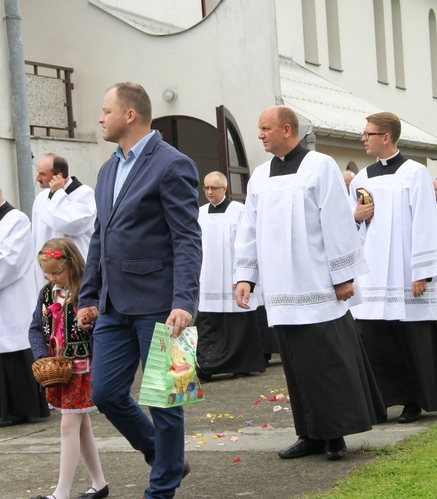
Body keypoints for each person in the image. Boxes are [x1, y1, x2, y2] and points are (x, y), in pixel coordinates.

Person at [234, 105, 383, 461]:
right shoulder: (259, 176)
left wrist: (343, 275)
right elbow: (249, 230)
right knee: (296, 363)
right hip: (281, 287)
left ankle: (335, 435)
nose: (260, 135)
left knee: (326, 360)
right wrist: (245, 276)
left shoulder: (320, 166)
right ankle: (309, 433)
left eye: (265, 128)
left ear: (288, 130)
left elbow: (336, 222)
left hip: (317, 282)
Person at [76, 82, 202, 499]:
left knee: (166, 402)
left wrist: (184, 301)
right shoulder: (108, 168)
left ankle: (161, 489)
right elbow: (101, 235)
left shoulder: (172, 164)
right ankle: (166, 458)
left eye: (105, 110)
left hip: (161, 306)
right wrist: (90, 296)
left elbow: (187, 238)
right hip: (113, 304)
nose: (100, 118)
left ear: (130, 115)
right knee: (105, 393)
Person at [350, 111, 437, 424]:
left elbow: (425, 223)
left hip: (405, 271)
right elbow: (350, 223)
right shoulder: (361, 177)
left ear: (387, 137)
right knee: (374, 338)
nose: (363, 138)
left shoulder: (414, 173)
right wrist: (356, 217)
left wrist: (421, 271)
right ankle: (378, 401)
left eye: (369, 133)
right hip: (373, 273)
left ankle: (413, 400)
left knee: (409, 336)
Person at [28, 238, 108, 499]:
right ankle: (99, 483)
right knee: (81, 427)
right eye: (47, 273)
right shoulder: (47, 293)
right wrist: (42, 356)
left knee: (67, 427)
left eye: (56, 272)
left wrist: (93, 322)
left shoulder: (87, 292)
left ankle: (61, 493)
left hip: (82, 369)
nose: (52, 278)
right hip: (58, 369)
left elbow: (103, 328)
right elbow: (35, 328)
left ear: (72, 265)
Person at [0, 174, 49, 428]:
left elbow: (8, 260)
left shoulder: (16, 220)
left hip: (9, 301)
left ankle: (18, 410)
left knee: (11, 356)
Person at [195, 172, 265, 381]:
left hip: (233, 274)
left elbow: (247, 242)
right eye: (206, 188)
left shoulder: (240, 211)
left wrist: (244, 273)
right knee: (209, 320)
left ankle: (241, 364)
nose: (209, 192)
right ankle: (207, 365)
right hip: (208, 275)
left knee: (238, 321)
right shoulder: (199, 213)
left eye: (213, 188)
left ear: (224, 189)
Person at [31, 154, 96, 291]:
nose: (37, 178)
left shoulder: (85, 194)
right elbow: (36, 235)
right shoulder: (41, 198)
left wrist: (58, 194)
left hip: (74, 270)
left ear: (58, 176)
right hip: (47, 271)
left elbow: (70, 224)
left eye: (42, 174)